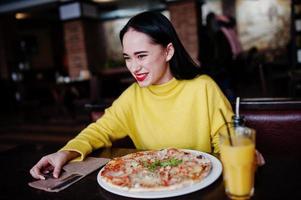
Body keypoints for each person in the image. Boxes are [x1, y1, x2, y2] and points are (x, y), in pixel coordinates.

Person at [30, 11, 263, 180]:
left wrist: (243, 155)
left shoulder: (203, 87)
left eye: (141, 55)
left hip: (198, 184)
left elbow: (228, 139)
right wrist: (64, 153)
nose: (134, 67)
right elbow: (99, 130)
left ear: (168, 51)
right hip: (148, 186)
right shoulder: (132, 96)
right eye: (127, 58)